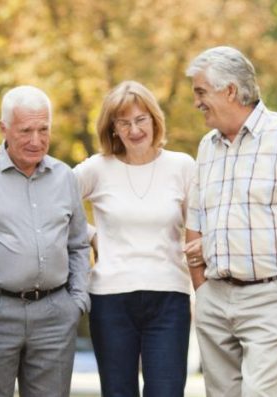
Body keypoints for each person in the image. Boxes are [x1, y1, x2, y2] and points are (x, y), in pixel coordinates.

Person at [182, 46, 277, 397]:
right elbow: (196, 220)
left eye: (201, 92)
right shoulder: (207, 146)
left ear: (230, 90)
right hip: (216, 297)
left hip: (272, 297)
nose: (197, 102)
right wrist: (202, 289)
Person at [0, 85, 91, 397]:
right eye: (26, 130)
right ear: (4, 129)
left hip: (55, 316)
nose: (36, 140)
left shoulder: (65, 177)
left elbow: (79, 244)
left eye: (43, 130)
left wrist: (77, 302)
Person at [75, 81, 195, 396]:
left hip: (169, 297)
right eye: (124, 122)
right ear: (113, 128)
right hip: (111, 298)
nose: (134, 129)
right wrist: (91, 236)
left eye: (141, 119)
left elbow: (198, 227)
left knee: (166, 391)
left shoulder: (181, 166)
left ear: (155, 120)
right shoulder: (97, 169)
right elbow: (51, 200)